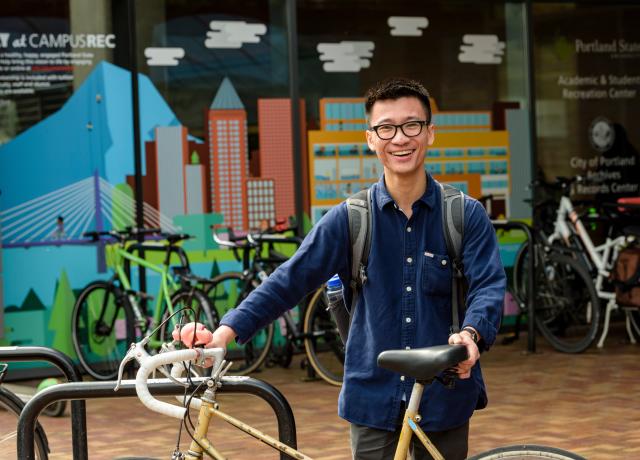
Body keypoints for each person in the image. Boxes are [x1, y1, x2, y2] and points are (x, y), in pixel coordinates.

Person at [206, 77, 505, 460]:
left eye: (411, 125)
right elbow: (290, 280)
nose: (400, 138)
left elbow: (488, 285)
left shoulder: (463, 214)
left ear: (429, 134)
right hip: (373, 396)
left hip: (444, 391)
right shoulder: (351, 219)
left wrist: (471, 334)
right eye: (386, 128)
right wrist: (225, 332)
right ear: (371, 139)